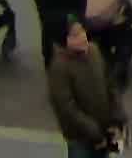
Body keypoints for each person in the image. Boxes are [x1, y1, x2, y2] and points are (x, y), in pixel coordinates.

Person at [46, 13, 122, 158]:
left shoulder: (94, 51)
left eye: (81, 31)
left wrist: (117, 114)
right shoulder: (59, 68)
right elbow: (66, 107)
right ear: (63, 41)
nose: (81, 37)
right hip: (79, 138)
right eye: (74, 36)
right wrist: (92, 129)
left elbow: (110, 83)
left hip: (103, 130)